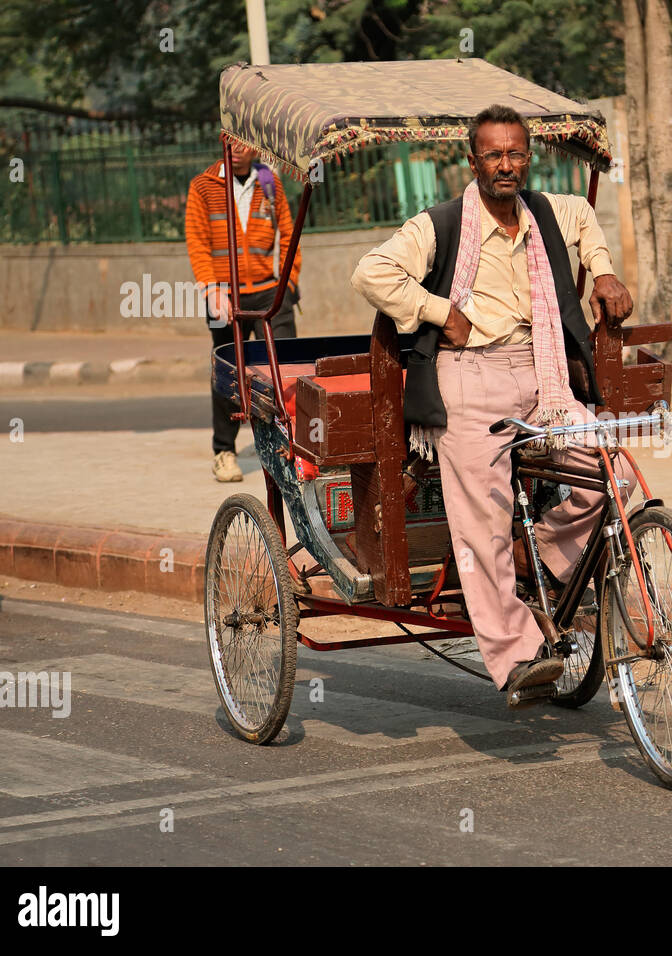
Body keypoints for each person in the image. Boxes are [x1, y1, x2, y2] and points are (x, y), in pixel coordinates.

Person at [350, 104, 637, 700]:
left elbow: (586, 217)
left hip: (544, 376)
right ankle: (515, 656)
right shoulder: (442, 223)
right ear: (473, 160)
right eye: (493, 155)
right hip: (469, 380)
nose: (505, 165)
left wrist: (603, 272)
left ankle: (546, 565)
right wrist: (438, 311)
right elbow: (371, 273)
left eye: (515, 154)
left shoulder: (548, 212)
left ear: (527, 158)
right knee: (483, 522)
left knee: (611, 473)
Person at [186, 140, 302, 482]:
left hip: (269, 291)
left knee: (286, 367)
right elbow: (197, 241)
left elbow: (289, 233)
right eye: (229, 139)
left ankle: (291, 445)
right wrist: (210, 289)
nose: (236, 147)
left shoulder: (269, 181)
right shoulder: (203, 186)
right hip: (223, 293)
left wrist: (289, 283)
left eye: (243, 140)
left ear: (255, 146)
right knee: (227, 372)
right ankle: (224, 451)